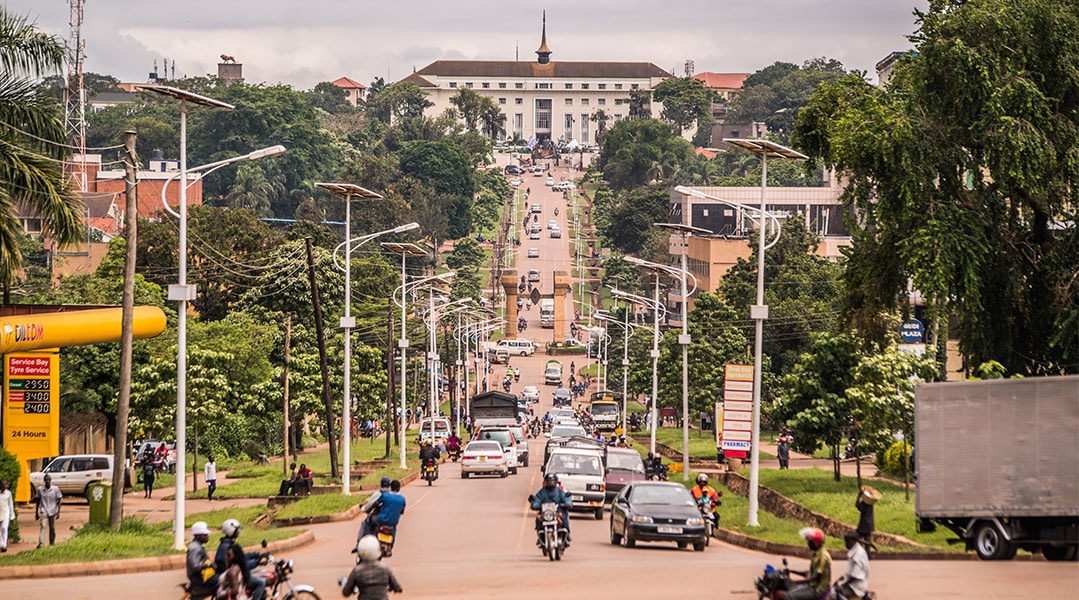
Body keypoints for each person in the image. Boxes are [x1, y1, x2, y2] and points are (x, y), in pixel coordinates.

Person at [214, 518, 265, 600]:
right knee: (261, 582)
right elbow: (242, 563)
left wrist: (257, 555)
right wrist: (257, 562)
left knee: (256, 573)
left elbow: (242, 556)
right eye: (236, 530)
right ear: (231, 530)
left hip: (230, 577)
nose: (238, 532)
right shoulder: (227, 548)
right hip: (229, 580)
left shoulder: (229, 544)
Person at [786, 527, 832, 600]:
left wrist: (796, 581)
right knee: (790, 589)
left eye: (810, 542)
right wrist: (792, 571)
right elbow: (809, 573)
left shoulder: (823, 557)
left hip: (819, 589)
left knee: (789, 596)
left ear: (816, 542)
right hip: (812, 585)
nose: (808, 544)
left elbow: (815, 577)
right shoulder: (816, 554)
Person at [530, 473, 573, 547]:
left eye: (552, 481)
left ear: (556, 482)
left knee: (564, 519)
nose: (551, 483)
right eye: (549, 481)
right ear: (546, 482)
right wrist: (535, 505)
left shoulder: (559, 491)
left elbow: (565, 498)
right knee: (539, 520)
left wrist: (567, 503)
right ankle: (540, 538)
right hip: (546, 513)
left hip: (558, 512)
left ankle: (566, 536)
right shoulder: (542, 492)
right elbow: (537, 499)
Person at [186, 521, 219, 600]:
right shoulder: (195, 548)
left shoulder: (197, 546)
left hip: (201, 576)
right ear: (198, 536)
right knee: (224, 580)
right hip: (198, 578)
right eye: (205, 535)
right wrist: (209, 565)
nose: (207, 537)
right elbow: (195, 566)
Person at [834, 530, 870, 600]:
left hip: (855, 587)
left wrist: (843, 585)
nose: (846, 544)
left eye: (848, 541)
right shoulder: (856, 551)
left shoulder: (858, 554)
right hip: (852, 584)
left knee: (833, 594)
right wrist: (841, 579)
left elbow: (855, 575)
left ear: (854, 541)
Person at [35, 473, 62, 548]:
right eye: (46, 480)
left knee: (52, 528)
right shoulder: (40, 489)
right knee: (43, 526)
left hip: (53, 510)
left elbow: (59, 500)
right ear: (44, 481)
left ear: (51, 480)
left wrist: (58, 511)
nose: (47, 481)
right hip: (44, 510)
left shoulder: (55, 489)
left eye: (49, 480)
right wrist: (36, 512)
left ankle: (52, 542)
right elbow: (37, 500)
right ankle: (41, 543)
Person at [855, 487, 880, 553]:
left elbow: (857, 505)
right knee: (867, 539)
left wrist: (859, 496)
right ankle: (868, 550)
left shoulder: (864, 504)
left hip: (863, 524)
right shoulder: (871, 504)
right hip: (870, 524)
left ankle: (871, 544)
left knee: (857, 538)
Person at [0, 479, 13, 552]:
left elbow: (10, 505)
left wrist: (12, 516)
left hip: (5, 513)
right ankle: (1, 544)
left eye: (6, 484)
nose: (5, 486)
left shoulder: (8, 493)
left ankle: (4, 545)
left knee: (4, 528)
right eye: (3, 484)